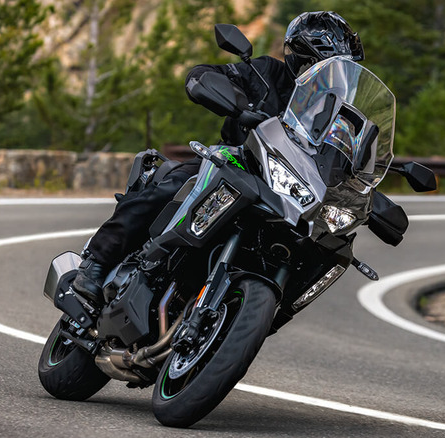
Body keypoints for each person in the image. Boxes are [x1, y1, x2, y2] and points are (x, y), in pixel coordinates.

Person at [71, 11, 364, 306]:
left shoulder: (338, 119)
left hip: (289, 194)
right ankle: (96, 262)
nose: (332, 77)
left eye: (341, 70)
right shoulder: (266, 73)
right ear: (302, 58)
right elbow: (206, 76)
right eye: (326, 67)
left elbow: (345, 165)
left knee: (313, 250)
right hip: (236, 162)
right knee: (176, 184)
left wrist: (369, 193)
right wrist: (225, 95)